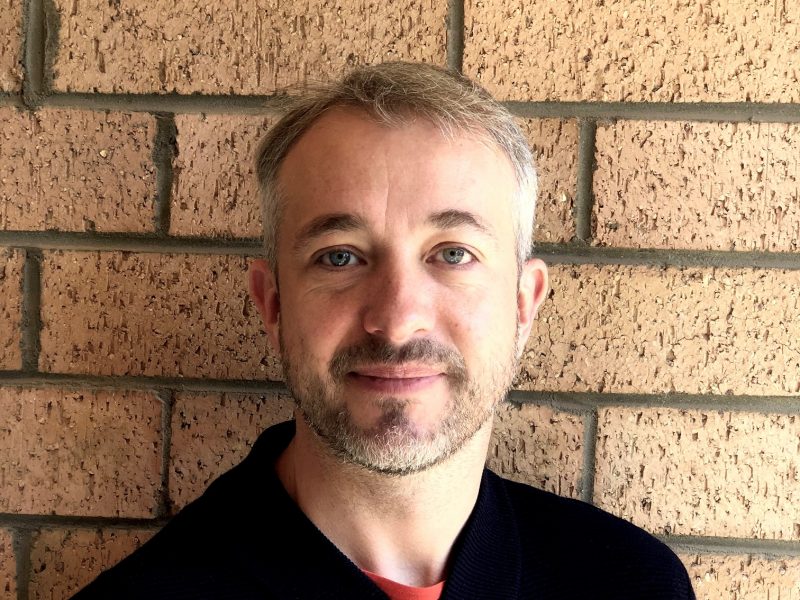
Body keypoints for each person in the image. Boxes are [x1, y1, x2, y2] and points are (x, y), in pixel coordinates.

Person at [75, 62, 695, 599]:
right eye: (340, 256)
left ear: (523, 302)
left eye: (453, 254)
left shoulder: (632, 585)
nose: (397, 320)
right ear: (273, 304)